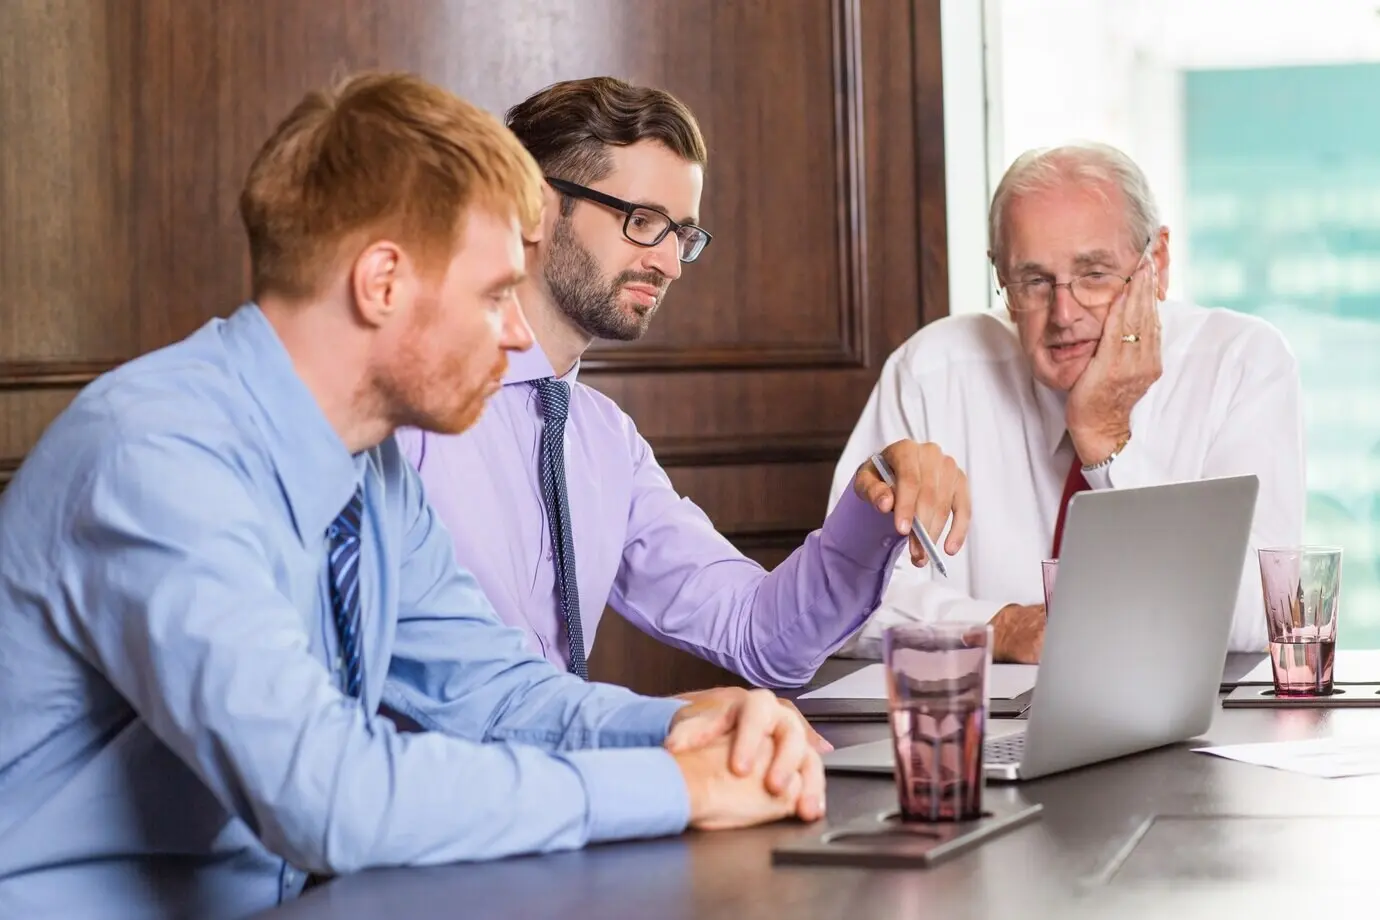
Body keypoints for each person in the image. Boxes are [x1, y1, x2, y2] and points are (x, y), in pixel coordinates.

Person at [0, 72, 837, 920]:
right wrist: (672, 787)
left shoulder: (371, 468)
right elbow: (324, 796)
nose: (518, 333)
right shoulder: (159, 456)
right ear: (383, 283)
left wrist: (680, 730)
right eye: (493, 296)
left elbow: (496, 694)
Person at [396, 77, 971, 688]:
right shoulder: (405, 414)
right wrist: (673, 729)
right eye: (643, 221)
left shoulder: (605, 442)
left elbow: (759, 634)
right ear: (534, 207)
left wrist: (873, 509)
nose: (670, 264)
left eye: (683, 234)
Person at [829, 142, 1305, 664]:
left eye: (1095, 274)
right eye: (1033, 281)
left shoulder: (1241, 363)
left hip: (1190, 727)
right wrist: (998, 628)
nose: (1063, 313)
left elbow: (1262, 616)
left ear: (1158, 264)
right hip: (988, 727)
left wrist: (1106, 439)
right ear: (1001, 279)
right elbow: (842, 597)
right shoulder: (932, 372)